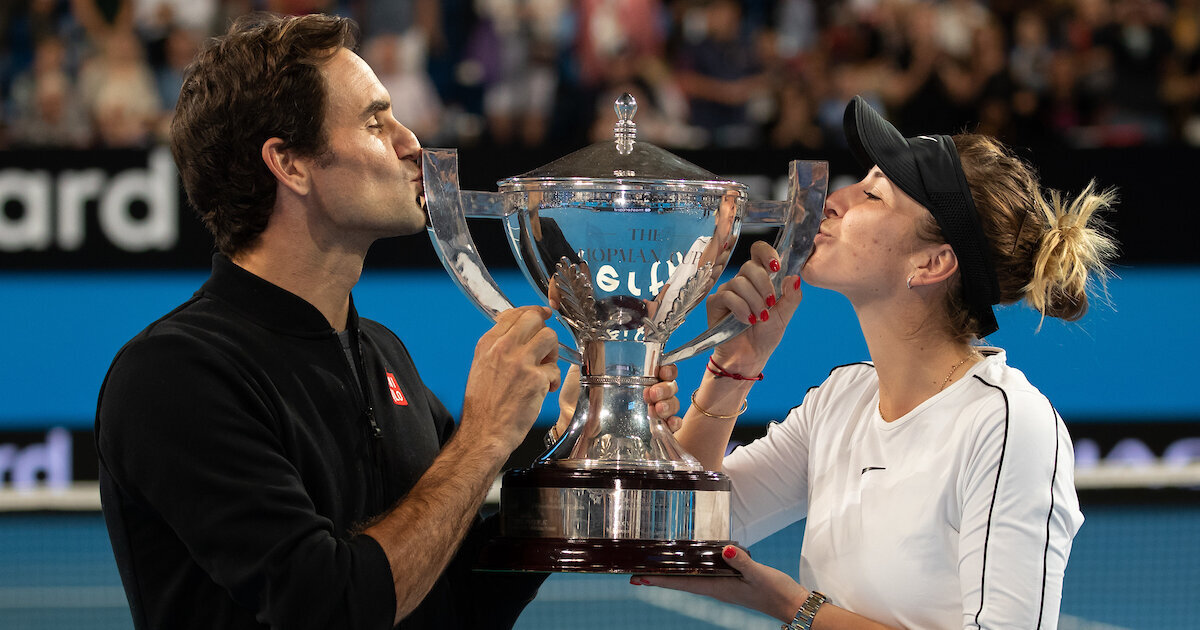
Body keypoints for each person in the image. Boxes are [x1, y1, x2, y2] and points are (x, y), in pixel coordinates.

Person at [94, 12, 681, 630]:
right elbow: (330, 607)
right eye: (375, 122)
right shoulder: (174, 375)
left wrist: (575, 451)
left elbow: (459, 601)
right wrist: (482, 440)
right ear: (289, 164)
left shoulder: (381, 353)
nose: (411, 144)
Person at [633, 95, 1117, 629]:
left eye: (874, 194)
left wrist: (794, 609)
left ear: (932, 263)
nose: (835, 201)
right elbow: (668, 535)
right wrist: (734, 367)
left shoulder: (1007, 424)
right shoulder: (839, 402)